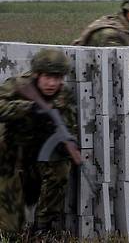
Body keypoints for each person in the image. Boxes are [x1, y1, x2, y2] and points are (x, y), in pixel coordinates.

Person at [0, 48, 77, 235]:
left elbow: (70, 124)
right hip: (10, 155)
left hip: (40, 155)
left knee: (61, 167)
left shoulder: (64, 95)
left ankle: (44, 228)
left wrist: (65, 141)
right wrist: (28, 108)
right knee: (10, 230)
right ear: (36, 74)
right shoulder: (17, 85)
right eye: (47, 77)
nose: (52, 83)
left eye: (57, 78)